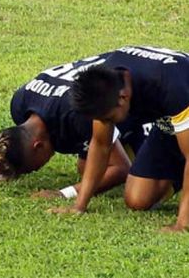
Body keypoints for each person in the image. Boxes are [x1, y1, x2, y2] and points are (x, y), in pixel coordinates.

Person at [0, 60, 147, 200]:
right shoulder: (20, 103)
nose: (37, 169)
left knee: (94, 171)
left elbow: (120, 168)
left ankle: (147, 136)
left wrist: (64, 193)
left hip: (136, 86)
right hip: (109, 71)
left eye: (32, 169)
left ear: (38, 145)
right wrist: (6, 173)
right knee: (88, 166)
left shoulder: (79, 113)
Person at [67, 45, 189, 232]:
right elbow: (100, 144)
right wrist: (79, 206)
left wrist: (182, 224)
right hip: (171, 126)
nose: (104, 124)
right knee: (138, 199)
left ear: (123, 98)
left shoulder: (170, 84)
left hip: (181, 109)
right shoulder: (106, 85)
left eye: (107, 119)